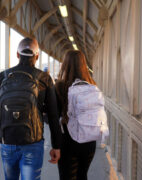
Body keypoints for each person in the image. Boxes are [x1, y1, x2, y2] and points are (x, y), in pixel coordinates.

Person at [0, 37, 62, 180]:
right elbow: (53, 115)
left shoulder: (3, 76)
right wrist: (56, 146)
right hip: (33, 142)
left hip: (8, 142)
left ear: (17, 55)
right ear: (37, 56)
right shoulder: (44, 78)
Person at [55, 50, 97, 180]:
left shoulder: (60, 86)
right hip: (89, 141)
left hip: (68, 141)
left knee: (67, 177)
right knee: (82, 176)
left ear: (65, 65)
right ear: (83, 65)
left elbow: (53, 116)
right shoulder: (92, 85)